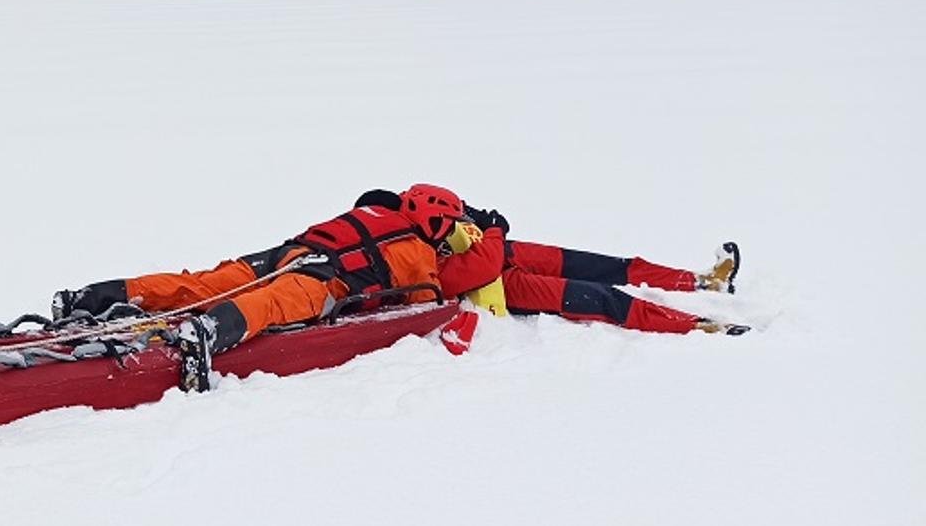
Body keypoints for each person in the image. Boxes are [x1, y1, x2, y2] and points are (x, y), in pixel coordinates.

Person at [55, 184, 507, 391]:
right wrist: (488, 237)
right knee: (272, 303)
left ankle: (93, 297)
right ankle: (209, 332)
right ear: (437, 221)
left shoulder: (371, 213)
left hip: (285, 254)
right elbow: (427, 301)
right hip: (324, 278)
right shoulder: (418, 251)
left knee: (200, 283)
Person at [457, 205, 745, 336]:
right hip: (491, 282)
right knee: (601, 298)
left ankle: (704, 282)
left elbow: (455, 211)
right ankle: (699, 326)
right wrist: (494, 230)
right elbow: (473, 271)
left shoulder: (425, 198)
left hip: (497, 249)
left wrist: (481, 220)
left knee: (602, 266)